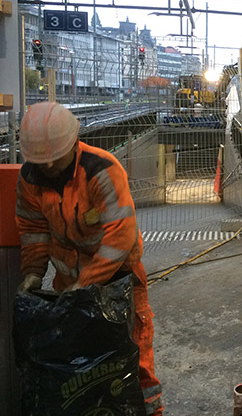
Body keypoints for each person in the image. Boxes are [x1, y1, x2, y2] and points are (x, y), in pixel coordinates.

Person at [15, 102, 163, 416]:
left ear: (72, 143)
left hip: (119, 284)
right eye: (43, 160)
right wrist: (32, 271)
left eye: (54, 157)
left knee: (135, 359)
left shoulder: (101, 170)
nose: (50, 165)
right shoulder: (30, 178)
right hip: (70, 287)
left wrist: (85, 283)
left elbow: (119, 238)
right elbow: (33, 229)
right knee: (85, 366)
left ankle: (148, 411)